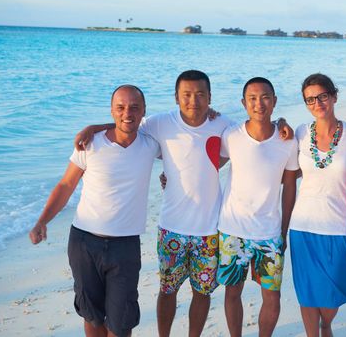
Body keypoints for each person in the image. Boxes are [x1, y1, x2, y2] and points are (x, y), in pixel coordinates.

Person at [74, 70, 293, 337]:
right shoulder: (160, 123)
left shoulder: (225, 125)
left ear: (210, 98)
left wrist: (282, 121)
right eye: (186, 95)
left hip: (210, 229)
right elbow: (125, 123)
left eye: (200, 95)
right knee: (167, 291)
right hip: (171, 227)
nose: (194, 101)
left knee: (202, 294)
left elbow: (257, 126)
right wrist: (93, 128)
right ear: (176, 97)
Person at [29, 85, 160, 337]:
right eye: (120, 108)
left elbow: (186, 139)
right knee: (91, 314)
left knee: (121, 323)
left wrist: (209, 113)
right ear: (111, 111)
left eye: (134, 107)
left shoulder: (151, 144)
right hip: (84, 243)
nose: (127, 113)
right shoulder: (90, 144)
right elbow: (66, 185)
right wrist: (42, 221)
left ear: (144, 111)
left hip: (125, 246)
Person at [288, 73, 346, 337]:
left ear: (333, 96)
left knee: (334, 288)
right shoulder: (300, 132)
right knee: (308, 289)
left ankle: (327, 323)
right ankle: (315, 333)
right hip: (303, 224)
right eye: (310, 99)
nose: (317, 102)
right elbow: (286, 170)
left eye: (322, 96)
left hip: (341, 223)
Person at [217, 77, 299, 337]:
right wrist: (170, 176)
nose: (258, 103)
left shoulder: (287, 141)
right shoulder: (231, 135)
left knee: (272, 296)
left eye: (265, 97)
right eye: (252, 98)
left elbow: (289, 189)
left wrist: (283, 231)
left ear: (274, 101)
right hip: (232, 230)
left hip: (269, 232)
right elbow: (208, 167)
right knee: (232, 291)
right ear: (243, 103)